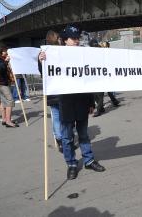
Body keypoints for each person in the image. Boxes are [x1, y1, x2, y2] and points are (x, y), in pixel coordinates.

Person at [39, 25, 105, 180]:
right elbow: (47, 74)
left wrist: (91, 102)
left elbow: (88, 78)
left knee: (83, 135)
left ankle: (88, 160)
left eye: (77, 38)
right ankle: (72, 164)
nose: (76, 41)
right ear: (64, 40)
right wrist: (41, 61)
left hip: (82, 101)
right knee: (67, 137)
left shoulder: (83, 54)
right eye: (73, 39)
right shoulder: (55, 54)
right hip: (66, 103)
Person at [38, 30, 64, 152]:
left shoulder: (46, 52)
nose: (60, 39)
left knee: (58, 116)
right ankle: (62, 139)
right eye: (59, 38)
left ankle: (61, 139)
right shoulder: (58, 52)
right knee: (60, 116)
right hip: (60, 91)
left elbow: (42, 73)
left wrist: (40, 60)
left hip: (54, 91)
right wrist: (40, 61)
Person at [0, 48, 18, 128]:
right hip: (2, 83)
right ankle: (8, 121)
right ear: (1, 52)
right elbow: (1, 69)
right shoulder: (0, 60)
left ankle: (4, 119)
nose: (6, 52)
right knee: (10, 101)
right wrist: (6, 61)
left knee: (3, 101)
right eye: (5, 51)